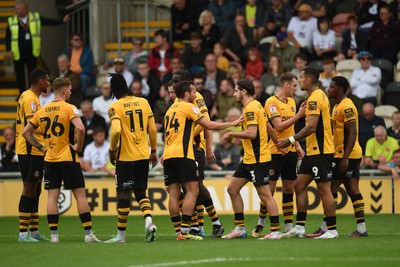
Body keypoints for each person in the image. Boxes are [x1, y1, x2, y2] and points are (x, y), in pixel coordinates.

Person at [22, 77, 101, 243]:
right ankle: (88, 234)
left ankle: (54, 236)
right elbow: (80, 127)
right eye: (70, 89)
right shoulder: (69, 108)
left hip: (50, 158)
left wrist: (41, 147)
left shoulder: (42, 110)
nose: (71, 92)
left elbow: (26, 132)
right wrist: (78, 147)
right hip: (68, 157)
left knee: (52, 196)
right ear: (65, 90)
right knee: (80, 194)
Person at [162, 80, 241, 241]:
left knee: (173, 194)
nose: (195, 95)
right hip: (184, 154)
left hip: (168, 154)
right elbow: (208, 125)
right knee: (193, 190)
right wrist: (232, 123)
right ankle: (185, 231)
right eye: (193, 92)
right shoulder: (188, 106)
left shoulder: (170, 110)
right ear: (186, 94)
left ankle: (179, 232)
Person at [278, 67, 338, 239]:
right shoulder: (315, 97)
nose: (300, 80)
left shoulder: (315, 98)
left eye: (302, 78)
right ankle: (300, 227)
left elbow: (311, 127)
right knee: (299, 185)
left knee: (323, 189)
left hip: (320, 151)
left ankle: (332, 230)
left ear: (309, 80)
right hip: (312, 151)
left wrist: (290, 140)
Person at [220, 79, 281, 240]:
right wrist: (278, 144)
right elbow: (268, 127)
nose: (234, 94)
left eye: (236, 91)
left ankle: (275, 231)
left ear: (244, 91)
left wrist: (231, 133)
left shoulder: (251, 108)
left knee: (265, 195)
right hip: (248, 158)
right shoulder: (256, 105)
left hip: (258, 158)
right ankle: (240, 228)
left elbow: (252, 133)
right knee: (232, 189)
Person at [309, 76, 368, 238]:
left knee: (328, 189)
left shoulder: (347, 106)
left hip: (346, 155)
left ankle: (326, 228)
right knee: (352, 190)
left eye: (332, 86)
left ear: (341, 89)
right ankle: (361, 229)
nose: (329, 89)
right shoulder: (337, 106)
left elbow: (353, 132)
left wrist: (345, 158)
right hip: (342, 154)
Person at [169, 70, 225, 238]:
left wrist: (207, 146)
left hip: (194, 147)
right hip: (181, 148)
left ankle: (213, 223)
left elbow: (206, 122)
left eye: (176, 83)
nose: (174, 86)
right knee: (188, 188)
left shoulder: (196, 97)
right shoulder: (177, 103)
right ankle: (196, 225)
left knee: (196, 186)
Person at [105, 73, 159, 243]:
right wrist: (154, 150)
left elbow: (116, 131)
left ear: (113, 89)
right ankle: (149, 222)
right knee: (141, 191)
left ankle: (121, 236)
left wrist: (112, 150)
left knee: (123, 194)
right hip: (143, 155)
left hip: (126, 158)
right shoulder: (144, 102)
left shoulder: (115, 107)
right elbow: (152, 129)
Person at [252, 73, 306, 238]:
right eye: (294, 85)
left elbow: (291, 129)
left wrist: (297, 145)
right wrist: (299, 115)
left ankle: (288, 226)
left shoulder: (292, 102)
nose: (296, 88)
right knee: (270, 191)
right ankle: (261, 221)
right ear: (286, 85)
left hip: (289, 152)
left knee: (289, 188)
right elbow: (279, 126)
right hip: (274, 152)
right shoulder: (271, 102)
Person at [5, 0, 69, 95]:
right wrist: (8, 50)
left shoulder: (36, 17)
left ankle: (32, 92)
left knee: (32, 74)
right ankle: (22, 94)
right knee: (20, 74)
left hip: (32, 52)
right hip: (18, 53)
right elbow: (7, 37)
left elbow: (49, 21)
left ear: (25, 9)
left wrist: (62, 21)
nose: (16, 10)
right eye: (16, 9)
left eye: (18, 9)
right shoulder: (12, 21)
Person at [15, 68, 48, 242]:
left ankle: (34, 231)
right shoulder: (30, 100)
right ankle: (23, 234)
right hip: (29, 150)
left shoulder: (29, 96)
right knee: (29, 189)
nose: (49, 84)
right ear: (40, 81)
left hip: (33, 151)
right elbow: (31, 128)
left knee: (36, 188)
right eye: (47, 80)